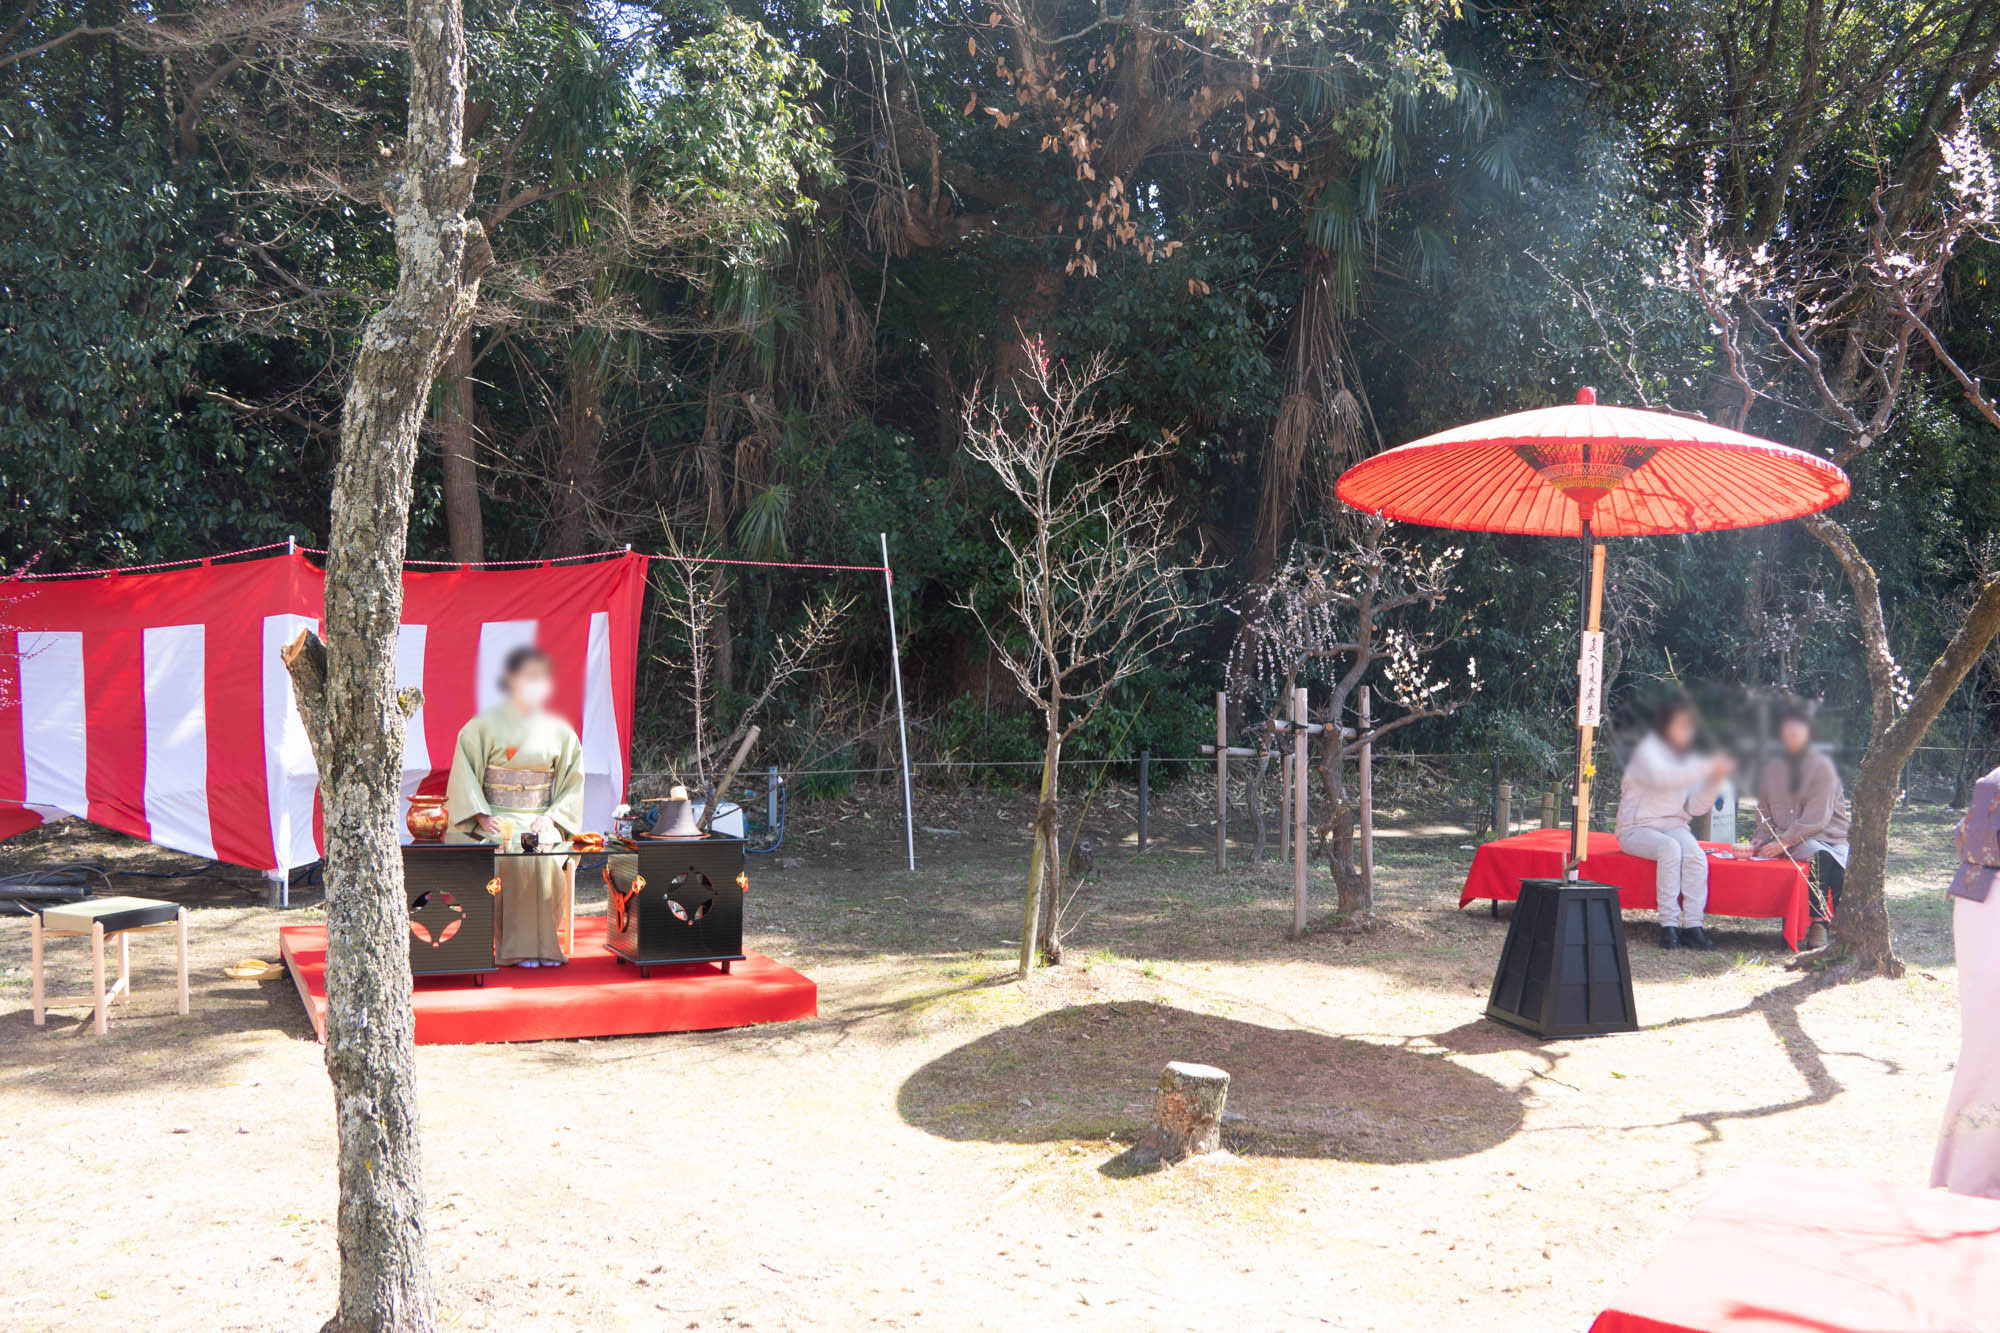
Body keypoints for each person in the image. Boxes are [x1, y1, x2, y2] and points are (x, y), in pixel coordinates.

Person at [444, 646, 585, 967]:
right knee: (513, 855)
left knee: (546, 854)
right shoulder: (481, 727)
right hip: (498, 819)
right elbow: (465, 775)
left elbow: (572, 783)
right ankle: (513, 946)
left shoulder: (561, 732)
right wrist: (481, 815)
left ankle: (545, 946)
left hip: (540, 819)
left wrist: (552, 818)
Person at [1616, 699, 1733, 951]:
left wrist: (1714, 783)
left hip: (1674, 824)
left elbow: (1693, 808)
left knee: (1696, 857)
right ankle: (1668, 926)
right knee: (1670, 849)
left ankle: (1693, 926)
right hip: (1636, 828)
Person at [1934, 764, 2000, 1198]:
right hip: (1989, 908)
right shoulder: (1994, 782)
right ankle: (1976, 1176)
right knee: (1989, 1052)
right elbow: (1972, 837)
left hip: (1981, 902)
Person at [1749, 705, 1849, 950]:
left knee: (1825, 858)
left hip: (1827, 836)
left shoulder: (1823, 769)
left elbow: (1816, 819)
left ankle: (1822, 923)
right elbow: (1764, 812)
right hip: (1793, 839)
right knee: (1817, 854)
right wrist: (1760, 838)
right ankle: (1820, 922)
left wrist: (1783, 842)